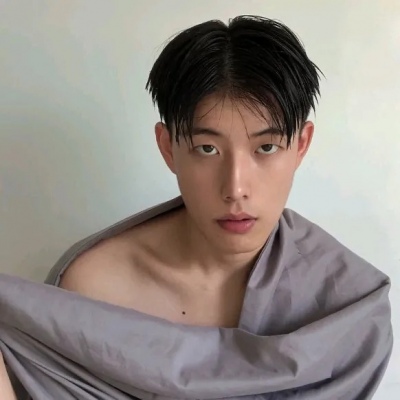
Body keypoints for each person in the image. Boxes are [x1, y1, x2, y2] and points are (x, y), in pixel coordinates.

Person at [1, 15, 392, 399]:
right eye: (207, 149)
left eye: (266, 147)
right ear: (168, 148)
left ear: (301, 145)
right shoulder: (94, 285)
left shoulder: (345, 308)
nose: (235, 188)